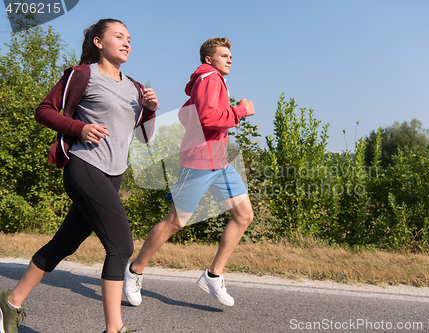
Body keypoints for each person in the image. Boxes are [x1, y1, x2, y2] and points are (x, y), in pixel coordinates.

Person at [0, 18, 158, 333]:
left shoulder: (136, 88)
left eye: (129, 38)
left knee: (64, 244)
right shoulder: (82, 75)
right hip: (85, 166)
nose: (127, 42)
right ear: (99, 42)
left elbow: (143, 138)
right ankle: (115, 329)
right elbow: (44, 110)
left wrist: (150, 110)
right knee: (121, 247)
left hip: (114, 174)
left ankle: (11, 302)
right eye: (118, 36)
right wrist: (81, 127)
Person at [123, 37, 255, 308]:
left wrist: (212, 124)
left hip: (219, 162)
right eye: (224, 55)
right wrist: (241, 111)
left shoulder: (210, 80)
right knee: (176, 222)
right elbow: (207, 118)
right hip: (199, 162)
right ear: (209, 59)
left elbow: (187, 115)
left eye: (231, 55)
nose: (230, 59)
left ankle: (213, 276)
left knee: (244, 215)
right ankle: (134, 270)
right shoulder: (209, 77)